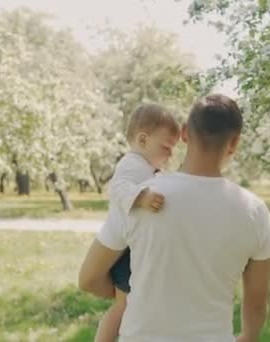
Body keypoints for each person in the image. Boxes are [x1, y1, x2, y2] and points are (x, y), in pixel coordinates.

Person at [79, 94, 270, 341]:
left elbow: (89, 279)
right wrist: (249, 336)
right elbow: (257, 301)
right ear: (234, 143)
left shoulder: (140, 198)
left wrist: (137, 294)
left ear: (183, 133)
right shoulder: (254, 211)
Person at [93, 103, 180, 342]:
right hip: (123, 252)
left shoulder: (146, 167)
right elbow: (118, 188)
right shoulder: (131, 163)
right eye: (166, 147)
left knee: (131, 305)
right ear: (143, 140)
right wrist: (141, 198)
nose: (170, 154)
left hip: (134, 246)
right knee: (122, 307)